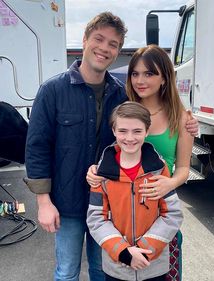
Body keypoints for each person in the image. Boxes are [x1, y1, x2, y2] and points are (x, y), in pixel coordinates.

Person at [24, 12, 128, 281]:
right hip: (66, 203)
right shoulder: (52, 91)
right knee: (67, 272)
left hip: (105, 204)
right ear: (84, 40)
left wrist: (184, 121)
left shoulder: (120, 95)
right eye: (99, 39)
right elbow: (37, 148)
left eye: (113, 44)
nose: (105, 48)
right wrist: (43, 202)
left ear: (118, 51)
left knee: (102, 271)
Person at [86, 45, 194, 281]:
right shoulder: (123, 110)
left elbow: (184, 168)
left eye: (149, 73)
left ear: (165, 77)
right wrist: (95, 171)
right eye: (135, 73)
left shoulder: (182, 118)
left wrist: (169, 183)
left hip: (159, 213)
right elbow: (108, 152)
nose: (140, 80)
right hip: (120, 219)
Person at [87, 101, 183, 281]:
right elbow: (96, 218)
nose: (129, 138)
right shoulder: (101, 174)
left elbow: (172, 214)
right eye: (122, 131)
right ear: (114, 131)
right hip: (118, 267)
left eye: (137, 131)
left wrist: (146, 250)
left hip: (153, 266)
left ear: (147, 131)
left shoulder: (158, 169)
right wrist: (123, 252)